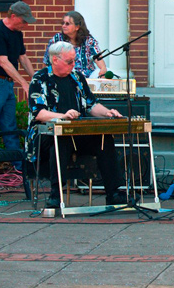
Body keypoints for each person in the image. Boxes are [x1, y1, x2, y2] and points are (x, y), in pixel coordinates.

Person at [29, 41, 125, 208]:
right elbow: (39, 113)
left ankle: (113, 193)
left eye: (74, 61)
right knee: (60, 140)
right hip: (47, 135)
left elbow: (91, 105)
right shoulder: (40, 79)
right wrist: (63, 116)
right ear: (55, 60)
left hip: (76, 133)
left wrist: (108, 113)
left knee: (104, 139)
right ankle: (55, 194)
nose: (73, 65)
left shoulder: (77, 77)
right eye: (69, 61)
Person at [0, 1, 36, 171]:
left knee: (9, 126)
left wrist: (34, 78)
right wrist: (23, 83)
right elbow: (3, 62)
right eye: (24, 20)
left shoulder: (17, 33)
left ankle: (19, 168)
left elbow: (23, 57)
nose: (26, 24)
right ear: (13, 16)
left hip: (7, 85)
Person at [43, 11, 107, 78]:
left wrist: (103, 68)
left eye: (67, 24)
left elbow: (97, 57)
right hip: (62, 78)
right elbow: (47, 61)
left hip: (86, 79)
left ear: (77, 27)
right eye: (63, 23)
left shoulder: (88, 40)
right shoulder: (56, 39)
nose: (63, 26)